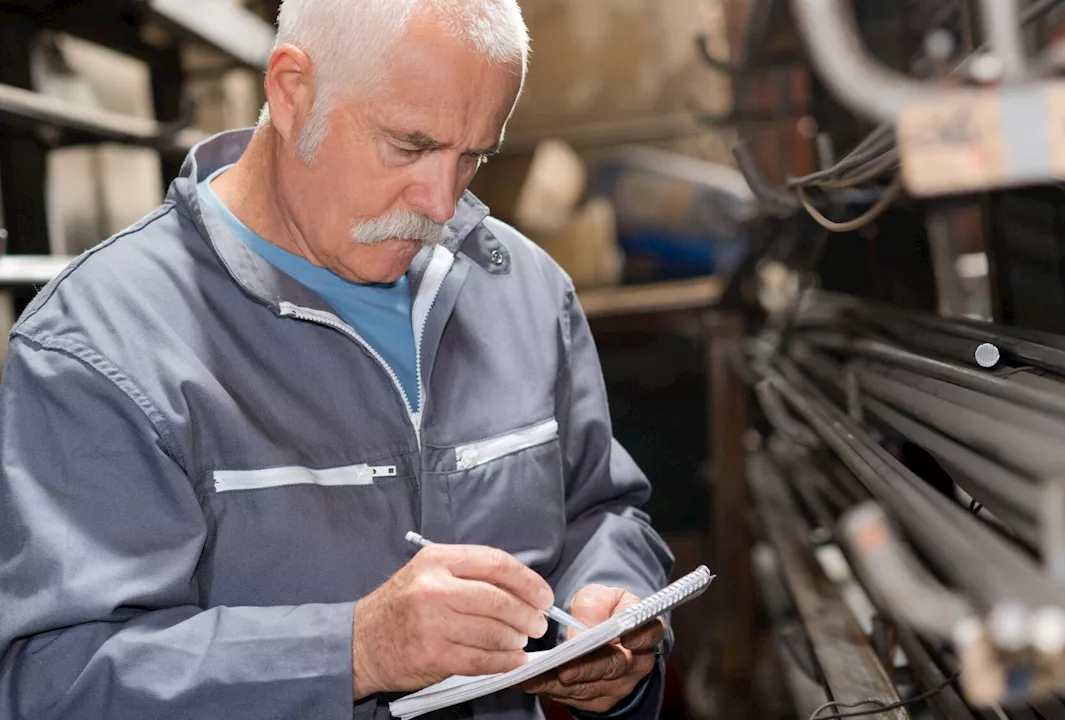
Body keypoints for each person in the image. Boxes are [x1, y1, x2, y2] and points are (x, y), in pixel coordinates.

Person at [0, 1, 674, 718]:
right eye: (411, 146)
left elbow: (602, 511)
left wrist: (613, 610)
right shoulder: (99, 346)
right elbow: (57, 683)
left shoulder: (524, 289)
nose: (443, 203)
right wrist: (352, 650)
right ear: (292, 91)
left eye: (474, 155)